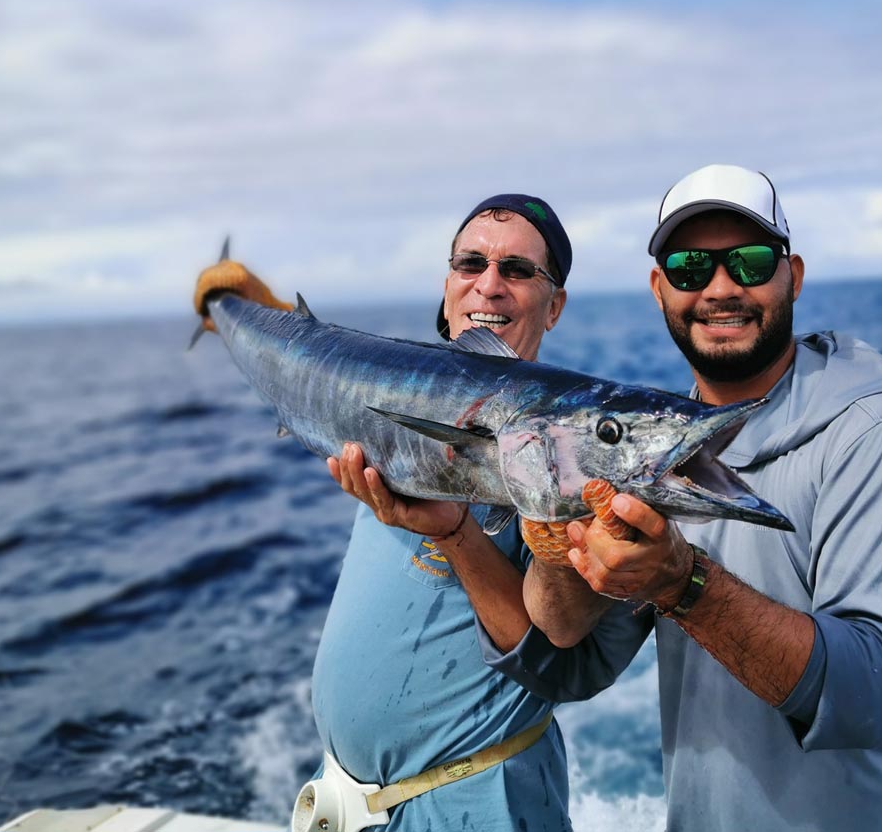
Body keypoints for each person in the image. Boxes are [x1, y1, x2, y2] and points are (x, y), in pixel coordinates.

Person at [495, 165, 882, 831]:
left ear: (794, 275)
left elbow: (874, 696)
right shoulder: (644, 453)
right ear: (659, 289)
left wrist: (683, 583)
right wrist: (552, 542)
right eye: (691, 266)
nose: (721, 288)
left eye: (751, 262)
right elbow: (575, 664)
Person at [193, 195, 631, 831]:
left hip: (473, 802)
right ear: (448, 284)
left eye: (517, 270)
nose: (489, 284)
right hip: (351, 802)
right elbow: (333, 364)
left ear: (555, 304)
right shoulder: (401, 393)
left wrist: (457, 533)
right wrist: (240, 310)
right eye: (470, 263)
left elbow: (555, 656)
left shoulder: (569, 456)